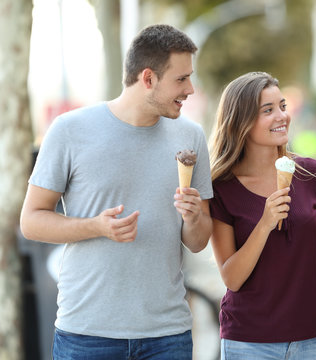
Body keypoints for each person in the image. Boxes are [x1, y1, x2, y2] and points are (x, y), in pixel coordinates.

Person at [19, 24, 213, 360]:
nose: (190, 89)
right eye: (181, 79)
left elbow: (198, 241)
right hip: (87, 334)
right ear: (148, 78)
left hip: (167, 335)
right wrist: (95, 226)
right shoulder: (69, 130)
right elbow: (31, 221)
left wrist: (194, 218)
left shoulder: (191, 137)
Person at [208, 72, 316, 359]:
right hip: (248, 344)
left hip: (313, 341)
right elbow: (232, 278)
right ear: (241, 122)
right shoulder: (221, 188)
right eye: (268, 110)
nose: (281, 116)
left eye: (282, 106)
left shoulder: (314, 175)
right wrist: (265, 224)